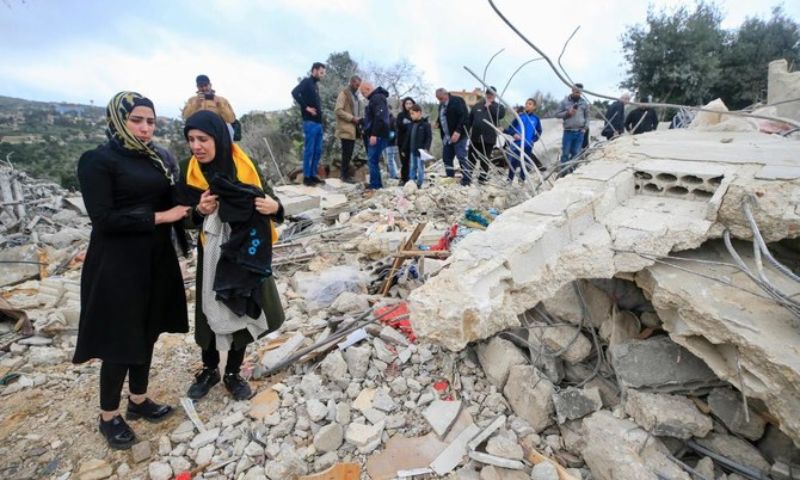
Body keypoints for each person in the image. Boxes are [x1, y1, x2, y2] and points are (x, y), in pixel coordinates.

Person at [73, 91, 190, 450]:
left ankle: (138, 400)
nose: (145, 128)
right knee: (120, 338)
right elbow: (104, 219)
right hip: (117, 263)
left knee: (149, 329)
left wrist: (199, 202)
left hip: (156, 258)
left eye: (150, 121)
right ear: (118, 120)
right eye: (136, 120)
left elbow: (174, 199)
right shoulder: (97, 160)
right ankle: (108, 416)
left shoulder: (157, 158)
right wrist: (162, 217)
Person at [180, 111, 286, 402]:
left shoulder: (245, 166)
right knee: (210, 308)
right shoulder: (188, 171)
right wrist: (198, 211)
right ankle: (209, 369)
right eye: (191, 139)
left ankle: (233, 372)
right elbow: (183, 217)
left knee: (241, 304)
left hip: (246, 249)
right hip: (211, 251)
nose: (196, 146)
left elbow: (274, 203)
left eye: (203, 139)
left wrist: (274, 207)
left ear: (219, 138)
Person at [291, 62, 326, 186]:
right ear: (314, 70)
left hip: (318, 123)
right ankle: (306, 177)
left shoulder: (315, 85)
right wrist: (306, 108)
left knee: (318, 150)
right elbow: (294, 92)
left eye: (324, 73)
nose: (322, 75)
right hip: (310, 123)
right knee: (309, 151)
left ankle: (312, 175)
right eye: (321, 72)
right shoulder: (307, 82)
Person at [466, 87, 506, 185]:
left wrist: (490, 106)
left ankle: (482, 179)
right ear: (486, 94)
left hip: (488, 139)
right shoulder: (477, 105)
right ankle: (467, 178)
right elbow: (469, 121)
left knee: (485, 159)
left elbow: (500, 115)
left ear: (495, 95)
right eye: (488, 93)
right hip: (475, 138)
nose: (489, 96)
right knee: (471, 158)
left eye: (492, 94)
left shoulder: (499, 107)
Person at [360, 81, 391, 190]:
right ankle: (376, 183)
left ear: (368, 88)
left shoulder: (377, 98)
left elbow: (379, 117)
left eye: (363, 92)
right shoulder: (376, 98)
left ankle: (375, 185)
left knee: (372, 160)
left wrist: (374, 134)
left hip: (378, 134)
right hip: (378, 133)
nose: (363, 95)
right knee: (373, 160)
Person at [435, 88, 469, 184]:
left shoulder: (457, 101)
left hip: (459, 136)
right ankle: (450, 177)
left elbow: (464, 117)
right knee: (446, 157)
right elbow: (441, 117)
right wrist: (437, 123)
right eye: (438, 99)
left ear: (446, 94)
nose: (440, 101)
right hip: (447, 137)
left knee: (461, 157)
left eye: (441, 98)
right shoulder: (441, 105)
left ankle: (467, 179)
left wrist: (458, 131)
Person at [504, 98, 543, 182]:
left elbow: (539, 131)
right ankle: (509, 180)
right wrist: (514, 134)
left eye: (530, 104)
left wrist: (533, 139)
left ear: (534, 107)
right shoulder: (519, 116)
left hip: (528, 145)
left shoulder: (536, 119)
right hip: (517, 143)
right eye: (526, 103)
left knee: (525, 163)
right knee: (513, 162)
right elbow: (510, 128)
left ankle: (521, 180)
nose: (527, 105)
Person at [334, 75, 362, 183]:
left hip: (353, 129)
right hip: (345, 128)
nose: (358, 87)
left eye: (359, 85)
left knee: (349, 153)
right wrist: (352, 118)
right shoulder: (344, 94)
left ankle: (345, 175)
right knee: (346, 153)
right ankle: (344, 176)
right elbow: (338, 110)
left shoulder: (356, 96)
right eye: (356, 84)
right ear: (351, 82)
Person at [555, 83, 589, 166]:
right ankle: (564, 171)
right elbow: (557, 114)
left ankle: (574, 170)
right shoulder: (564, 102)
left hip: (580, 132)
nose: (578, 93)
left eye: (579, 92)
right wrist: (568, 113)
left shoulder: (584, 103)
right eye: (576, 91)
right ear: (572, 90)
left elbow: (587, 117)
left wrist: (585, 128)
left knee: (576, 153)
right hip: (568, 132)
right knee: (565, 153)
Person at [403, 104, 432, 187]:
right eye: (410, 114)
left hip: (421, 151)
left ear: (419, 112)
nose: (411, 115)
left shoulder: (426, 125)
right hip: (412, 150)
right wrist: (404, 149)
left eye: (413, 113)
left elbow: (429, 138)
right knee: (412, 166)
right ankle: (411, 182)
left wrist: (426, 148)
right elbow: (408, 138)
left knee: (420, 167)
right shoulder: (411, 125)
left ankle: (419, 183)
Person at [395, 97, 416, 184]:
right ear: (404, 105)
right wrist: (409, 125)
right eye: (407, 103)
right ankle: (404, 179)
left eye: (410, 103)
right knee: (404, 161)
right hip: (402, 142)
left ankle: (413, 178)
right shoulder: (401, 115)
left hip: (413, 141)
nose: (408, 105)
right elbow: (399, 126)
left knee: (414, 161)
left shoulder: (415, 115)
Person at [385, 111, 400, 179]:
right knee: (391, 159)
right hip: (387, 142)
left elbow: (395, 132)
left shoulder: (392, 120)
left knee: (390, 159)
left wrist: (390, 138)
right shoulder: (386, 119)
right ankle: (394, 173)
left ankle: (393, 175)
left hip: (391, 143)